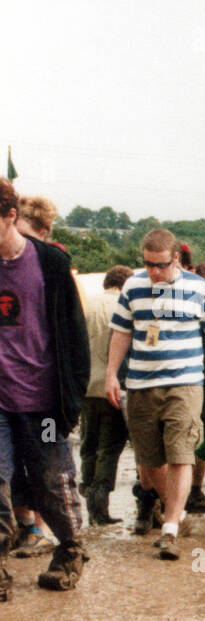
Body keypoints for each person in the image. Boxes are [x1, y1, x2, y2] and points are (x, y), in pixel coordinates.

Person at [106, 229, 205, 559]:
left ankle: (171, 526)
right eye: (147, 264)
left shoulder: (198, 287)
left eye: (159, 265)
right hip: (141, 384)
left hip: (185, 383)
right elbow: (120, 333)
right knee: (149, 464)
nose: (153, 271)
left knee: (181, 453)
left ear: (175, 258)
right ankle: (180, 512)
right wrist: (111, 375)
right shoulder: (133, 286)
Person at [0, 178, 91, 598]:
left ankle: (70, 551)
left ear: (11, 217)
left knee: (53, 480)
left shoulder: (51, 264)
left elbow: (74, 336)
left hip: (44, 401)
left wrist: (70, 403)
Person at [80, 265, 133, 524]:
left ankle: (86, 488)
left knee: (89, 444)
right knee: (109, 448)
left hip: (86, 387)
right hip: (113, 387)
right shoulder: (124, 308)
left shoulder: (87, 305)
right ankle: (99, 504)